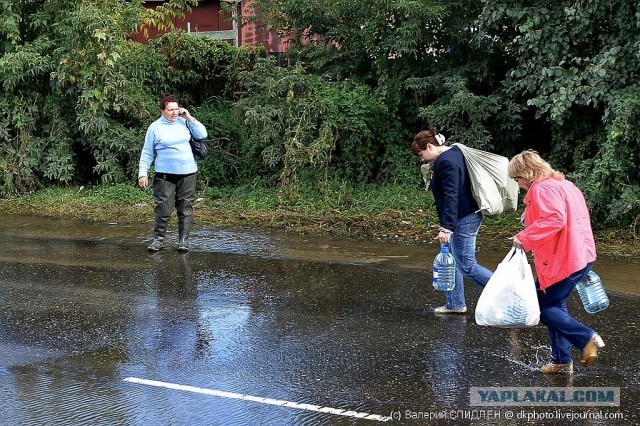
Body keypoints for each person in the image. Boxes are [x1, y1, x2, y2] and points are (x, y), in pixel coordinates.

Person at [508, 150, 603, 374]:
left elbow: (555, 219)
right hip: (579, 255)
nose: (518, 184)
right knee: (554, 306)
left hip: (563, 261)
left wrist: (524, 237)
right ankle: (561, 361)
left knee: (538, 306)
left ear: (527, 173)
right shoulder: (564, 184)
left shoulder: (541, 188)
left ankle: (586, 338)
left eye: (517, 179)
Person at [411, 127, 493, 314]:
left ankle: (509, 294)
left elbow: (452, 195)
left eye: (421, 153)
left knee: (467, 266)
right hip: (465, 215)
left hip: (463, 218)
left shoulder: (446, 162)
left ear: (430, 146)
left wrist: (447, 228)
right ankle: (455, 303)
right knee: (455, 261)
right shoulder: (454, 152)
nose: (422, 158)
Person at [138, 93, 208, 252]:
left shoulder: (185, 123)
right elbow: (147, 152)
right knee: (163, 208)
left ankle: (183, 241)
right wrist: (143, 173)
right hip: (164, 175)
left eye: (177, 109)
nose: (175, 112)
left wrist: (189, 117)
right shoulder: (155, 127)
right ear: (162, 110)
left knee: (185, 207)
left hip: (188, 172)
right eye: (171, 110)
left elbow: (203, 135)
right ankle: (158, 240)